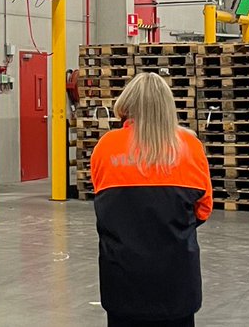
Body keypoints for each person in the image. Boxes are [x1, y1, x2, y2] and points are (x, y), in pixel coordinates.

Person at [90, 72, 212, 327]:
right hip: (176, 281)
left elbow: (103, 202)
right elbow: (203, 210)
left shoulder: (106, 147)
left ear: (127, 104)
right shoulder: (190, 146)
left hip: (122, 278)